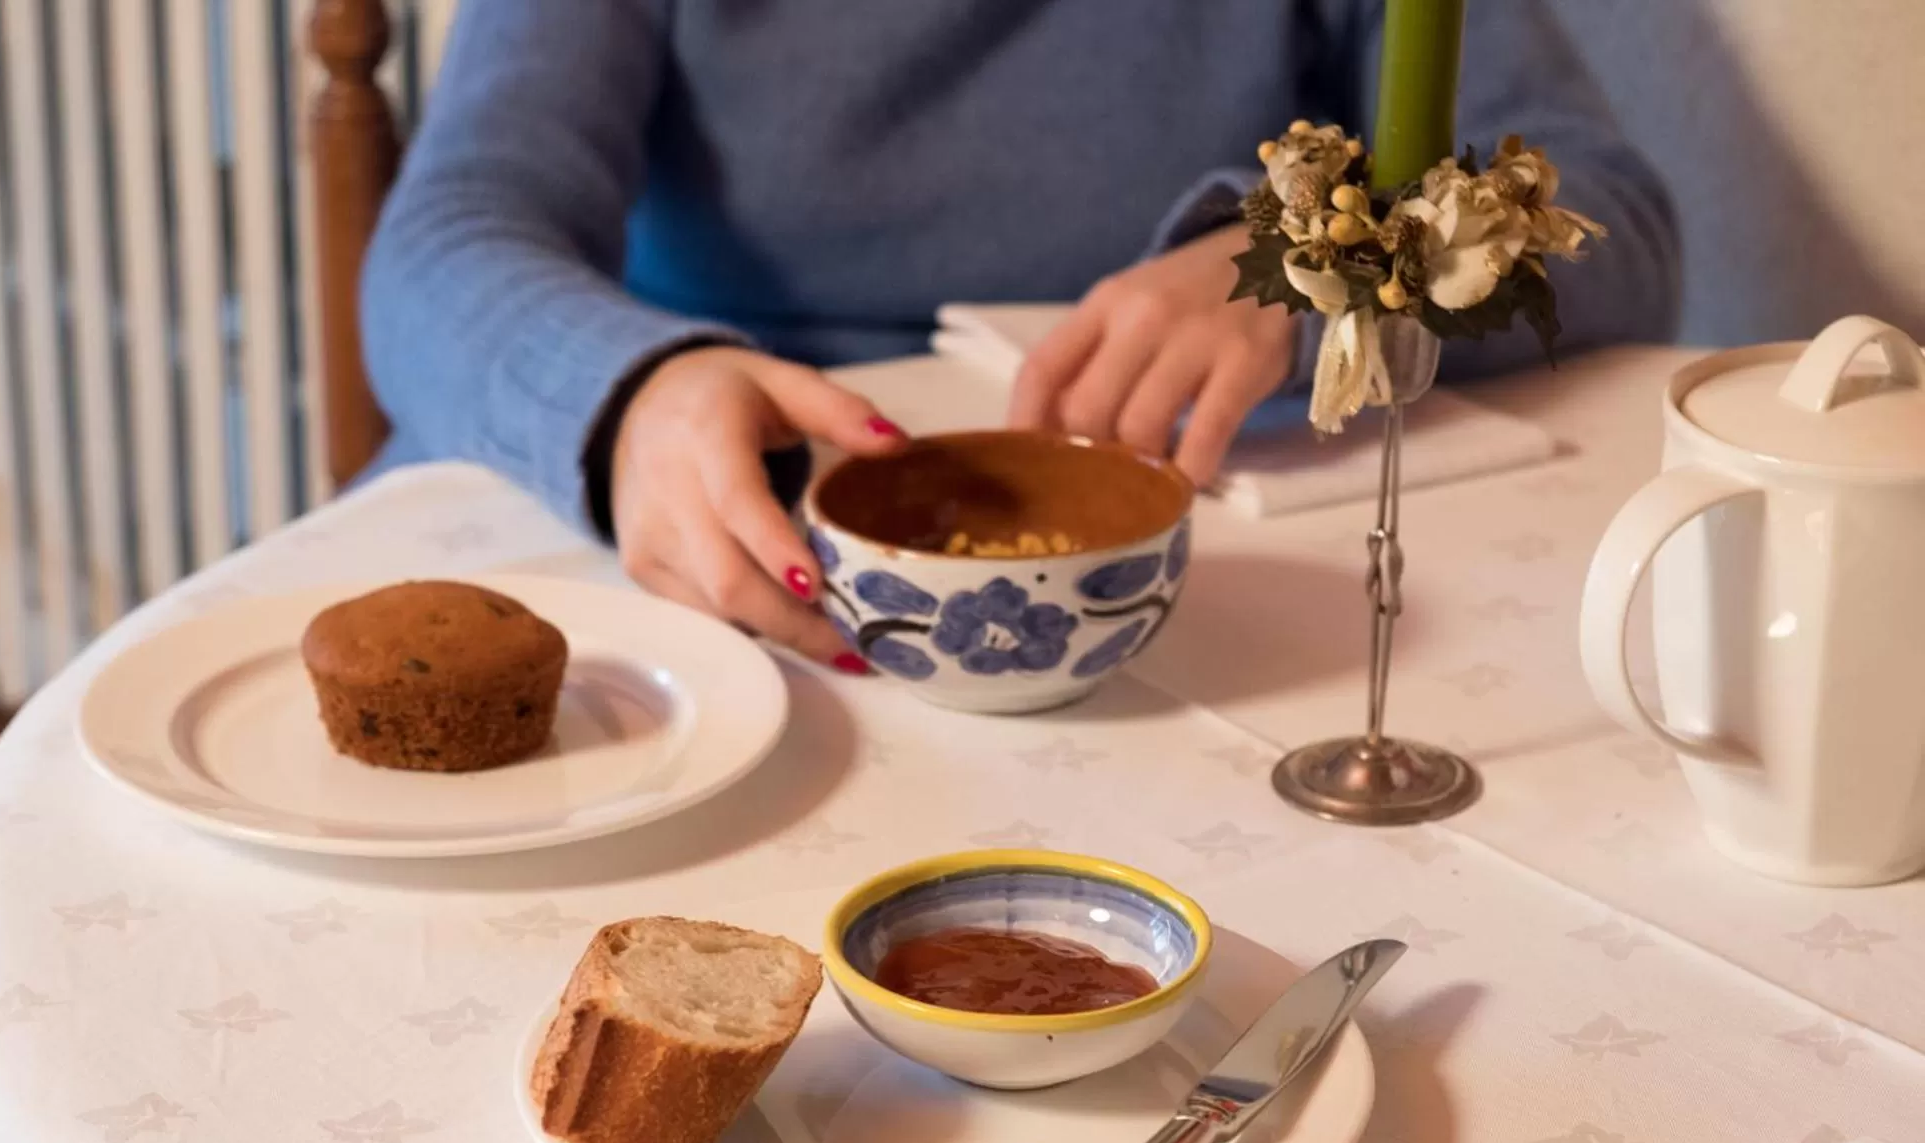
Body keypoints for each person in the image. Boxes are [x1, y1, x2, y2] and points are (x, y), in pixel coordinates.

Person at [360, 0, 1678, 671]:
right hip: (734, 532)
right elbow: (443, 244)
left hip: (1186, 582)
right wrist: (634, 395)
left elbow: (1612, 220)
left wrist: (1307, 260)